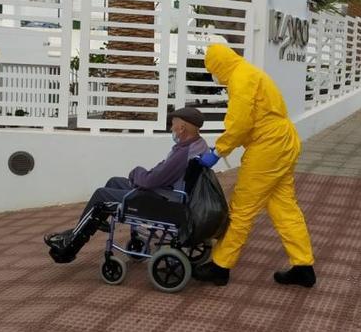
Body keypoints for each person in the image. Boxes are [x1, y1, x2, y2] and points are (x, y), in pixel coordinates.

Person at [192, 44, 316, 288]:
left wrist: (218, 150)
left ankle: (220, 266)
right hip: (283, 141)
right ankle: (303, 267)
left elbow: (240, 122)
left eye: (212, 70)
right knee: (284, 207)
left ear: (219, 65)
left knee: (242, 208)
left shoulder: (240, 79)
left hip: (267, 147)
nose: (214, 76)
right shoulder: (249, 72)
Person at [44, 107, 209, 263]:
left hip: (161, 199)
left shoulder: (182, 153)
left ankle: (70, 243)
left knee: (101, 195)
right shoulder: (198, 145)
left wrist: (136, 172)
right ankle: (96, 220)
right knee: (114, 181)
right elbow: (161, 175)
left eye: (173, 125)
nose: (171, 128)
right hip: (169, 194)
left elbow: (150, 181)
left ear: (181, 128)